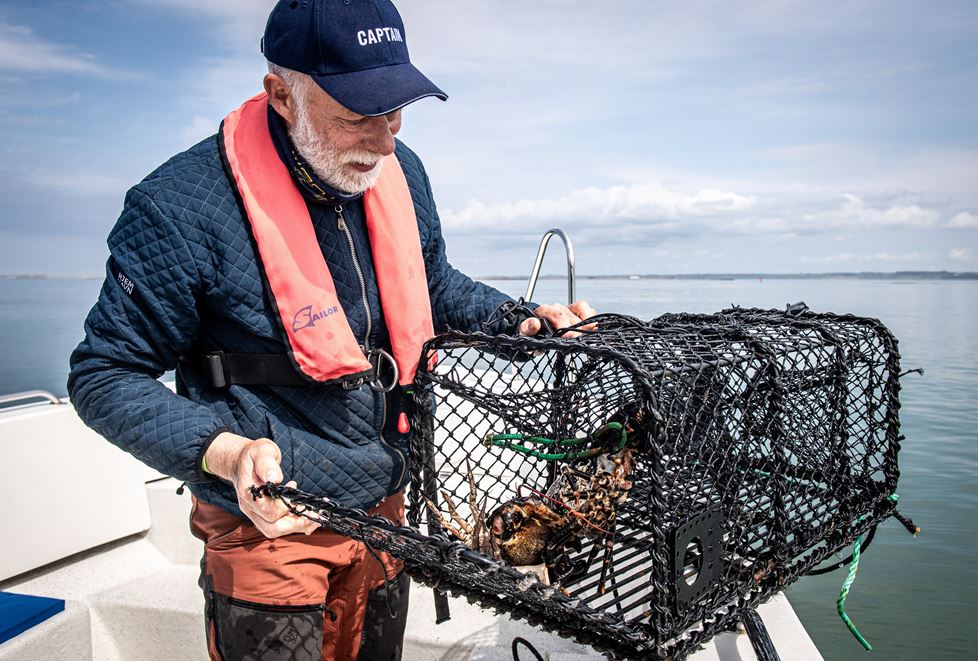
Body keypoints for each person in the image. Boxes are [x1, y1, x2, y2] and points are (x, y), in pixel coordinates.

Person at [67, 1, 594, 659]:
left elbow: (432, 286)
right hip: (270, 522)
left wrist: (522, 320)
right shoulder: (177, 208)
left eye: (395, 110)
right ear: (281, 96)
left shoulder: (402, 172)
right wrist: (223, 452)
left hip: (385, 510)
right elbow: (101, 374)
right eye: (356, 116)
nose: (384, 140)